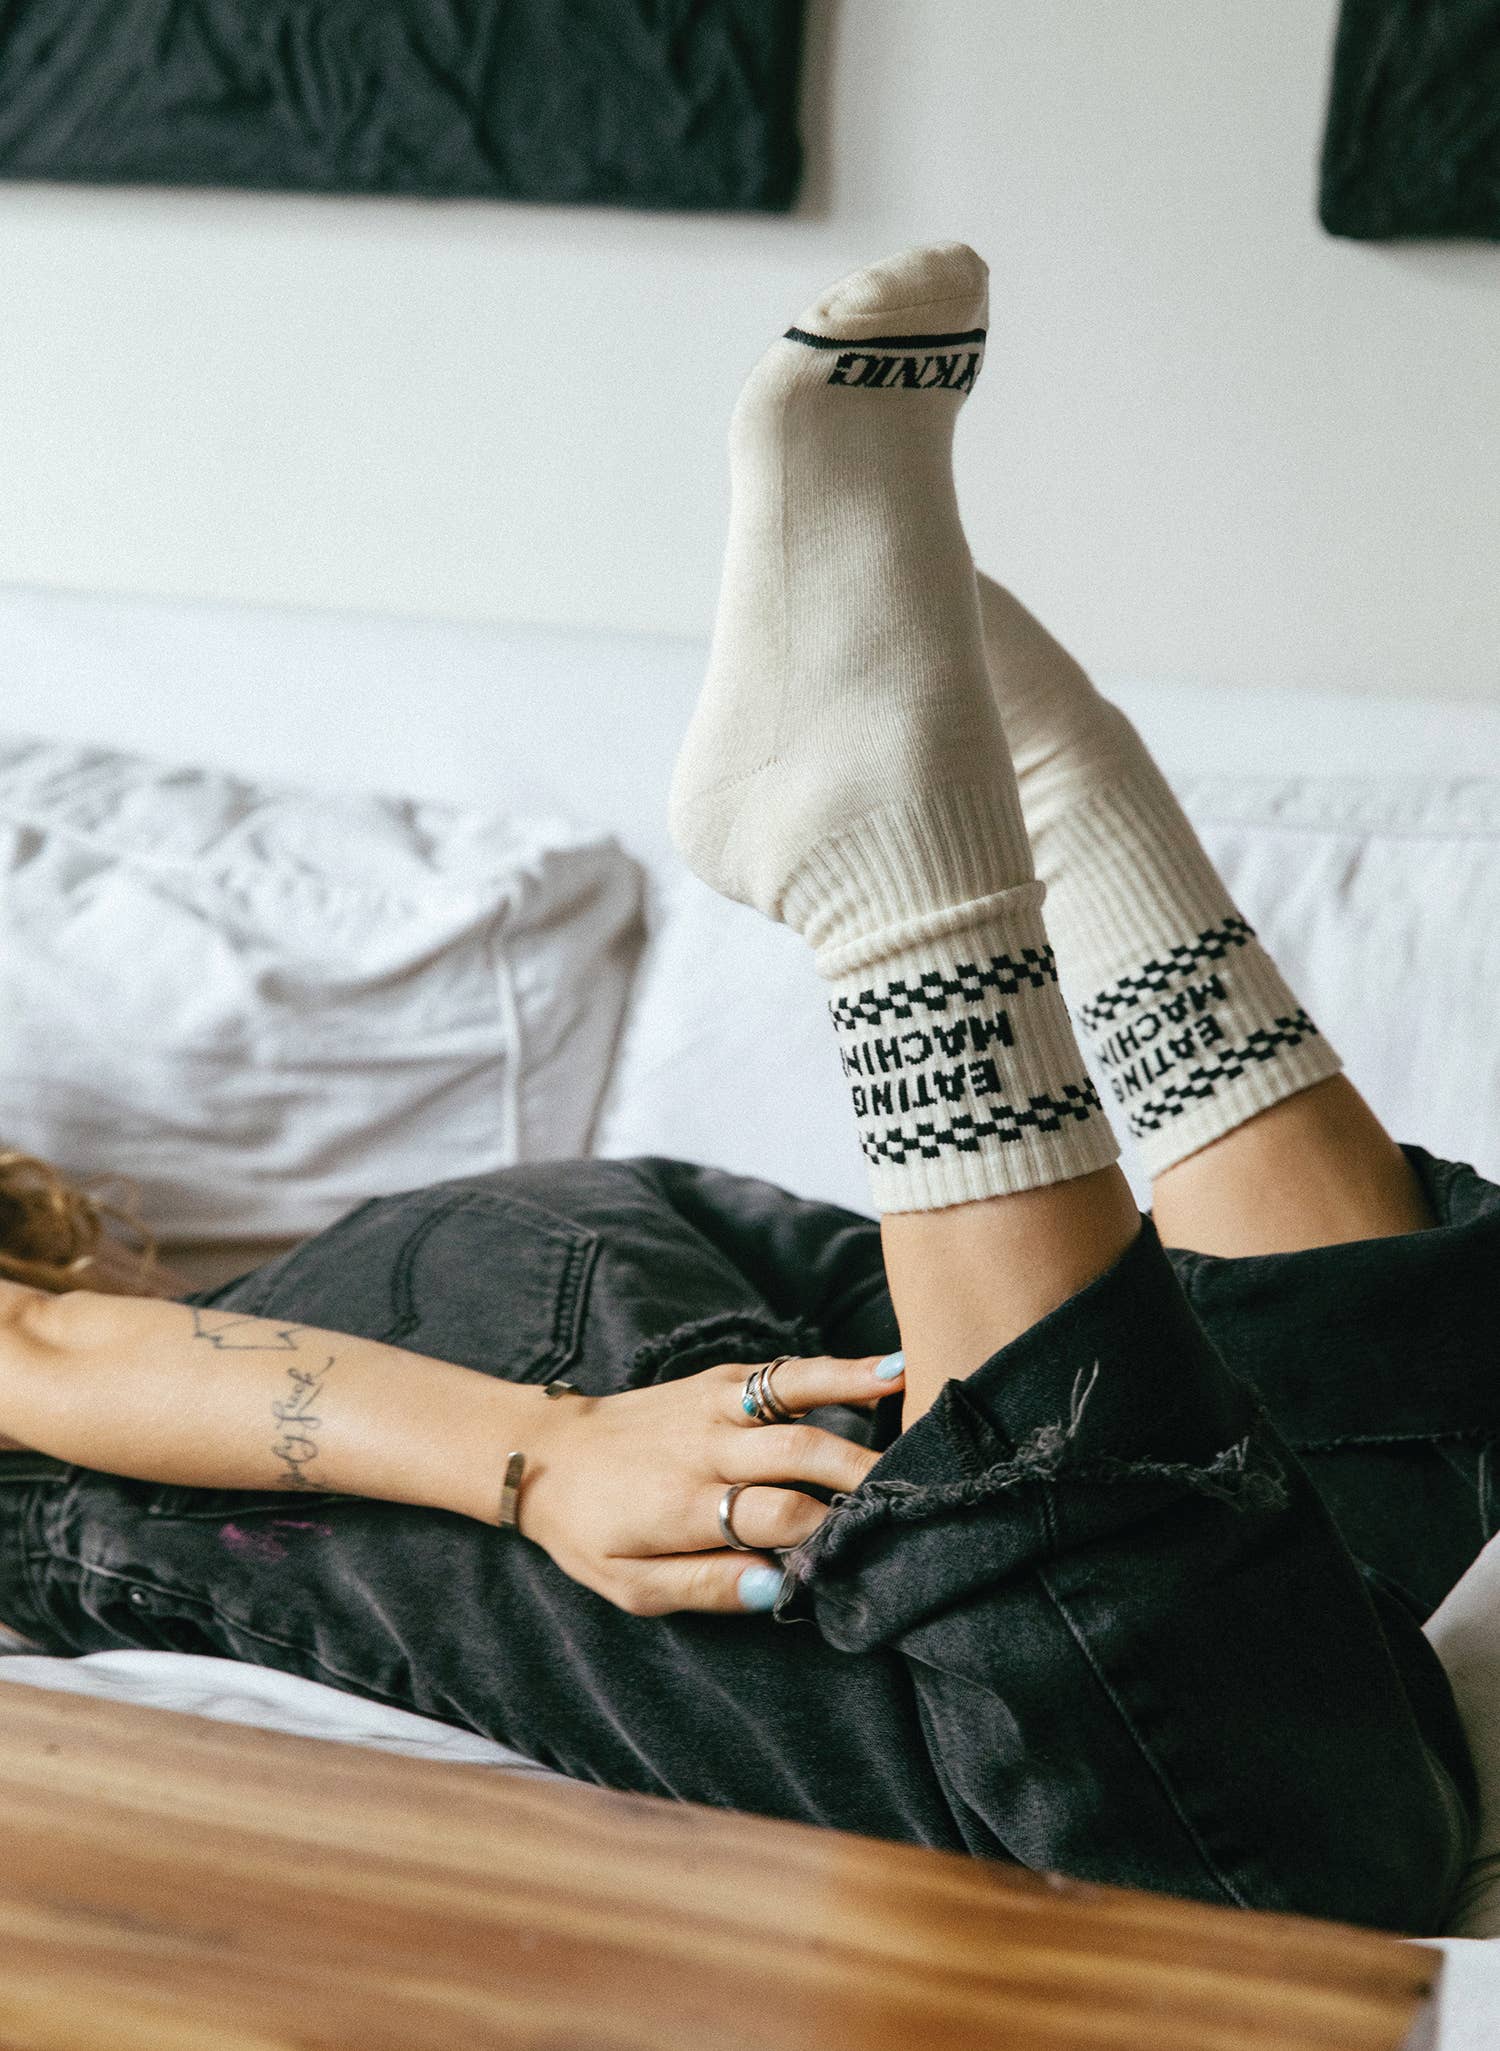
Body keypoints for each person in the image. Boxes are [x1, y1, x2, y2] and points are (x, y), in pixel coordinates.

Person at [0, 244, 1491, 1936]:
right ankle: (1064, 810)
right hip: (547, 1260)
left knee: (1212, 1847)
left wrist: (542, 1456)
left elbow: (34, 1346)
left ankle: (909, 894)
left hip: (443, 1369)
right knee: (1331, 1571)